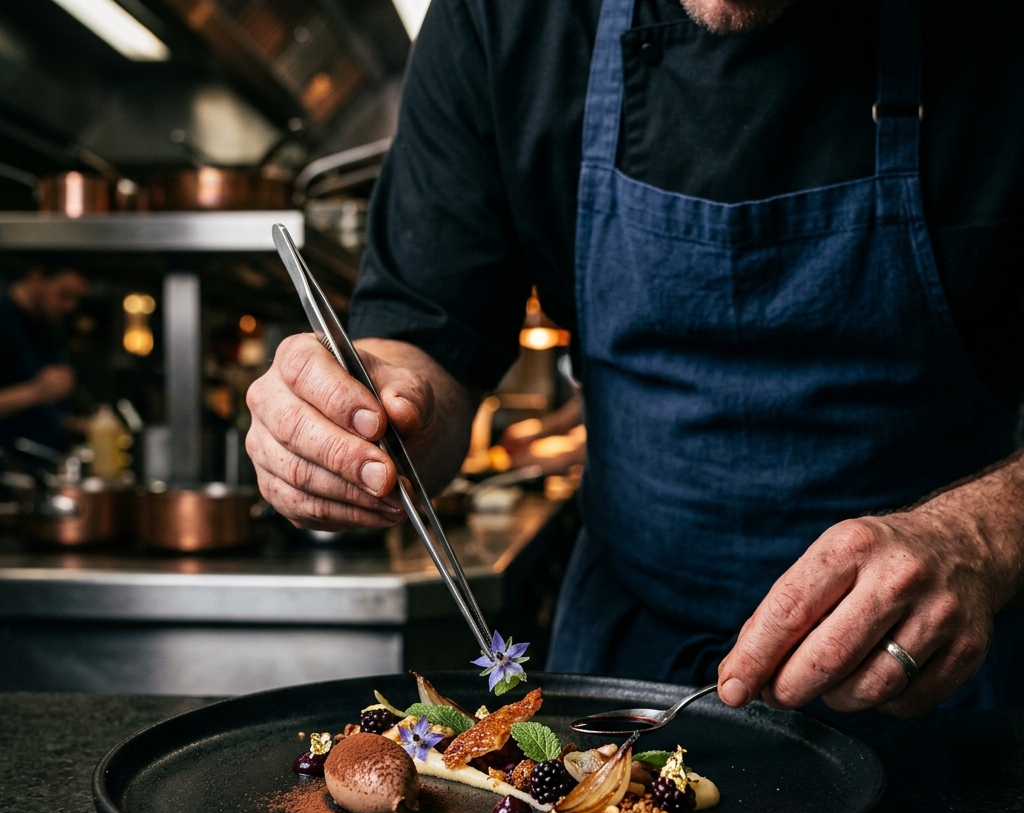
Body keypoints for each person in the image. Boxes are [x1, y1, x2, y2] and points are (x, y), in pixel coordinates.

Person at [247, 0, 1024, 714]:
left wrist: (985, 536)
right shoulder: (506, 18)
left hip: (946, 682)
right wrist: (374, 415)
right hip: (630, 672)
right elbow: (423, 343)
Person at [0, 265, 87, 453]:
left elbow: (39, 415)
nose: (69, 307)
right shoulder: (4, 318)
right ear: (36, 276)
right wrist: (35, 391)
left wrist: (76, 424)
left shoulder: (45, 325)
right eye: (64, 294)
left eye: (76, 300)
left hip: (43, 465)